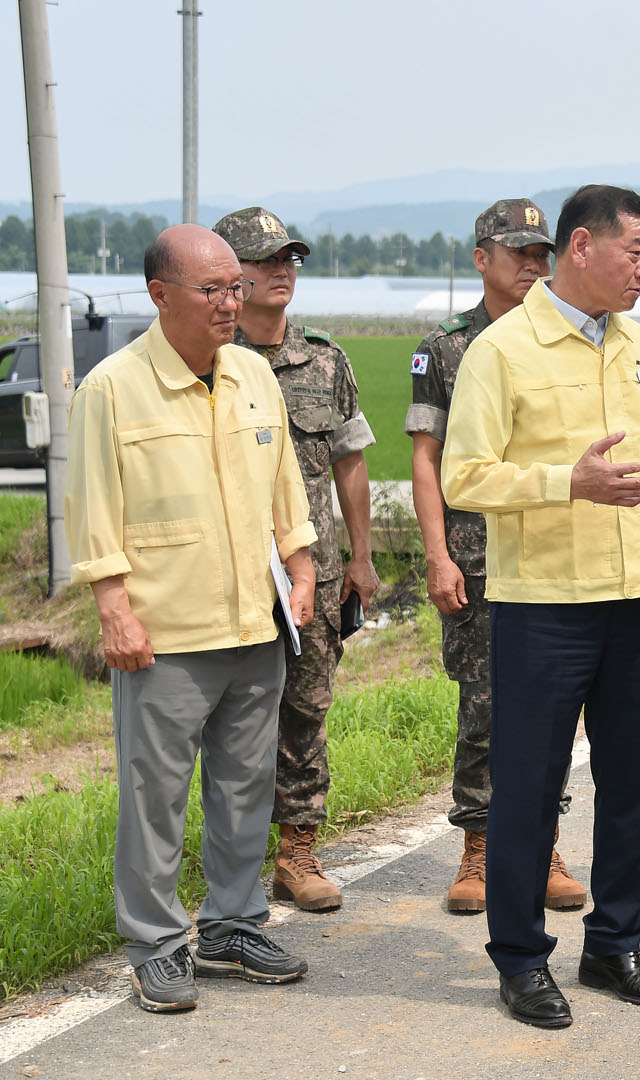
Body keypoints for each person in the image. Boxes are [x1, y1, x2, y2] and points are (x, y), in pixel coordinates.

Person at [441, 184, 640, 1030]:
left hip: (637, 599)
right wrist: (564, 483)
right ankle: (521, 959)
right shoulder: (504, 350)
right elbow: (464, 476)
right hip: (544, 604)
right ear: (581, 246)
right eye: (635, 251)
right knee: (528, 788)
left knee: (629, 783)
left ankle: (615, 944)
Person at [65, 224, 318, 1012]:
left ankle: (233, 926)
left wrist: (302, 564)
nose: (229, 303)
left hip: (254, 624)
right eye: (211, 290)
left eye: (234, 287)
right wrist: (114, 609)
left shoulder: (252, 373)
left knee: (246, 788)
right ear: (160, 295)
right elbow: (92, 509)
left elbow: (283, 483)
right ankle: (156, 944)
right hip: (164, 634)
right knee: (156, 798)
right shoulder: (112, 388)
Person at [405, 198, 585, 914]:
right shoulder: (448, 347)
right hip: (477, 558)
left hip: (551, 552)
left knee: (553, 706)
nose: (533, 266)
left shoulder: (565, 334)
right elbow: (427, 459)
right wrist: (437, 555)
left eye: (542, 254)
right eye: (519, 253)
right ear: (482, 259)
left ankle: (543, 845)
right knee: (483, 704)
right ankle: (479, 847)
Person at [213, 206, 378, 912]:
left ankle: (297, 852)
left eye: (289, 259)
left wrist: (362, 559)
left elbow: (351, 465)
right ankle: (230, 861)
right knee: (231, 719)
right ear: (229, 275)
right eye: (265, 260)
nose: (282, 271)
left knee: (306, 710)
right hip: (229, 573)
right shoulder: (209, 361)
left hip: (314, 571)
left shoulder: (325, 361)